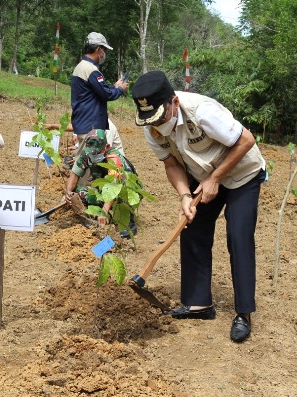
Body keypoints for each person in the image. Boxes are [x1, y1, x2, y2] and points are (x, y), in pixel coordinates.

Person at [131, 71, 266, 343]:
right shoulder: (152, 128)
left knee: (237, 235)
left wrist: (216, 178)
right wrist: (184, 195)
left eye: (161, 116)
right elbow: (171, 163)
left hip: (242, 174)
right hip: (201, 174)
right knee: (192, 228)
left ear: (174, 103)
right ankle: (198, 304)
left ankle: (243, 312)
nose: (157, 124)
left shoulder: (202, 111)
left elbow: (246, 140)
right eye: (151, 120)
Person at [63, 129, 138, 238]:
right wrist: (68, 193)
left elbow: (115, 187)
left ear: (106, 147)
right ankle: (93, 215)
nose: (93, 155)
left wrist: (105, 210)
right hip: (103, 191)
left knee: (122, 196)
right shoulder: (86, 153)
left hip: (123, 191)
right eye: (91, 153)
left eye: (97, 152)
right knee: (77, 192)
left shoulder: (113, 158)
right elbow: (74, 176)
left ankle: (127, 223)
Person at [70, 32, 128, 143]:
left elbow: (96, 91)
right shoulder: (91, 70)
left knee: (86, 158)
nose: (104, 54)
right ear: (98, 49)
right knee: (95, 159)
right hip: (91, 127)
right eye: (104, 50)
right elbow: (106, 94)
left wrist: (114, 86)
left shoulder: (81, 66)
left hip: (82, 124)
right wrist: (121, 89)